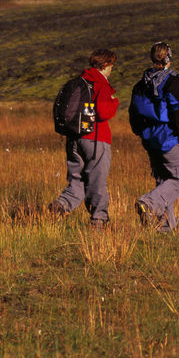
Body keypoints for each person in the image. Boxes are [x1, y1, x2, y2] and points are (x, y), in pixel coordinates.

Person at [50, 48, 120, 229]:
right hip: (96, 138)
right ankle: (99, 221)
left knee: (77, 179)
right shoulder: (101, 84)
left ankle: (61, 205)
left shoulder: (79, 81)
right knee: (97, 180)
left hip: (74, 138)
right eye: (111, 65)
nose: (112, 69)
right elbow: (104, 112)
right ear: (106, 65)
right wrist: (115, 101)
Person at [129, 41, 179, 232]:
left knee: (163, 181)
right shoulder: (173, 82)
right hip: (169, 138)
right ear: (168, 58)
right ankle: (149, 203)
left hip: (149, 138)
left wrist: (141, 133)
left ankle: (165, 226)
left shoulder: (140, 84)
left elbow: (133, 113)